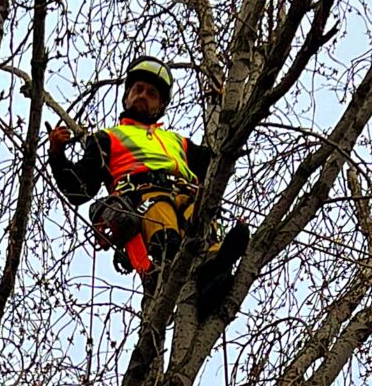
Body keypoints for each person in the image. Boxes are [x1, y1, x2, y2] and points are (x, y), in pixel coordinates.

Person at [48, 53, 249, 307]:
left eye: (151, 93)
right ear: (127, 95)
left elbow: (216, 162)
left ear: (160, 106)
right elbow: (78, 189)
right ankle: (174, 259)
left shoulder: (176, 141)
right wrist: (57, 155)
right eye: (138, 89)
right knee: (161, 213)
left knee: (197, 218)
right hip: (144, 197)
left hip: (187, 194)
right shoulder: (106, 138)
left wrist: (229, 115)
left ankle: (213, 267)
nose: (143, 95)